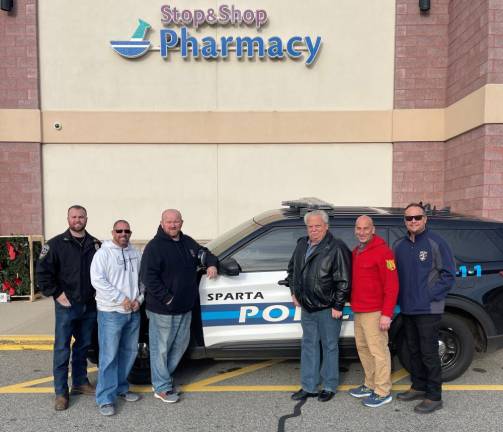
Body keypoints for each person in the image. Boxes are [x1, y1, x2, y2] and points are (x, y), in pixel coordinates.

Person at [141, 209, 218, 403]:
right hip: (163, 309)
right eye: (169, 222)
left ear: (181, 222)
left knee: (180, 346)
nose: (173, 225)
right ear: (162, 223)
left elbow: (204, 253)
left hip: (185, 307)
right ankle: (162, 387)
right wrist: (167, 298)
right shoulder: (154, 247)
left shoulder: (187, 242)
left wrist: (211, 264)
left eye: (176, 221)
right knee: (161, 349)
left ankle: (163, 378)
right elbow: (148, 278)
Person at [36, 205, 101, 411]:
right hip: (66, 305)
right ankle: (61, 392)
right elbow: (42, 273)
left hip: (89, 305)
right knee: (62, 349)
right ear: (68, 219)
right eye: (74, 217)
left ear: (86, 218)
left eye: (81, 216)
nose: (77, 220)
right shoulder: (54, 245)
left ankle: (80, 382)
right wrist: (56, 293)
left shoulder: (95, 244)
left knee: (83, 346)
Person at [393, 203, 456, 414]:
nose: (413, 221)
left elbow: (448, 274)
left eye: (417, 217)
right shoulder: (399, 246)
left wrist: (429, 295)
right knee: (413, 350)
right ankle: (418, 386)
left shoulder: (436, 242)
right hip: (408, 308)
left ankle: (434, 396)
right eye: (409, 218)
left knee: (429, 352)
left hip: (429, 308)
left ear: (425, 219)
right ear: (404, 221)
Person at [287, 209, 351, 402]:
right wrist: (294, 293)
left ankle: (330, 386)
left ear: (326, 226)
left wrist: (338, 305)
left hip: (327, 307)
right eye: (310, 227)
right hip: (307, 307)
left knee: (330, 346)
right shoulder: (301, 245)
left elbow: (344, 280)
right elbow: (292, 270)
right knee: (309, 346)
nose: (314, 230)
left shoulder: (336, 247)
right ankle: (309, 386)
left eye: (318, 226)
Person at [90, 220, 143, 416]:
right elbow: (97, 280)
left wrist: (139, 299)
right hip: (110, 313)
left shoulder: (136, 253)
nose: (123, 234)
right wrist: (121, 298)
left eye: (127, 231)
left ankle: (121, 388)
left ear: (130, 232)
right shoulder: (103, 254)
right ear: (112, 232)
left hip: (133, 312)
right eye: (119, 231)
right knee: (109, 357)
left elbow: (142, 280)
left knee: (128, 354)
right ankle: (105, 398)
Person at [348, 215, 399, 407]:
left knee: (378, 351)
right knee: (363, 348)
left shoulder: (384, 253)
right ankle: (370, 384)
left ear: (373, 229)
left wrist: (387, 314)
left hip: (375, 311)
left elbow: (392, 286)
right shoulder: (356, 251)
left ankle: (382, 390)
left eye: (365, 228)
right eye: (358, 228)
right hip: (359, 310)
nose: (361, 232)